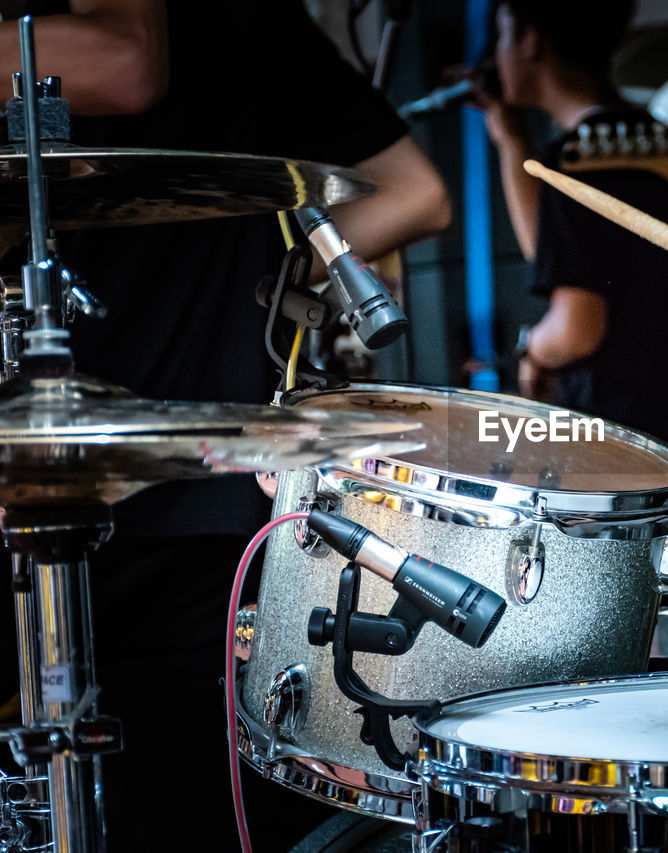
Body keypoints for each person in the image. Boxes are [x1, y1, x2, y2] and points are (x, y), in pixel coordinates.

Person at [0, 2, 451, 850]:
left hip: (80, 490)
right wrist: (284, 277)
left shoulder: (183, 32)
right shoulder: (252, 25)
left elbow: (131, 69)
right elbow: (418, 191)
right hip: (217, 480)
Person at [480, 0, 668, 509]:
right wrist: (510, 139)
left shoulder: (577, 158)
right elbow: (553, 257)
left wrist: (531, 350)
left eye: (501, 35)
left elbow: (576, 329)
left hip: (621, 436)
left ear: (531, 41)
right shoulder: (654, 143)